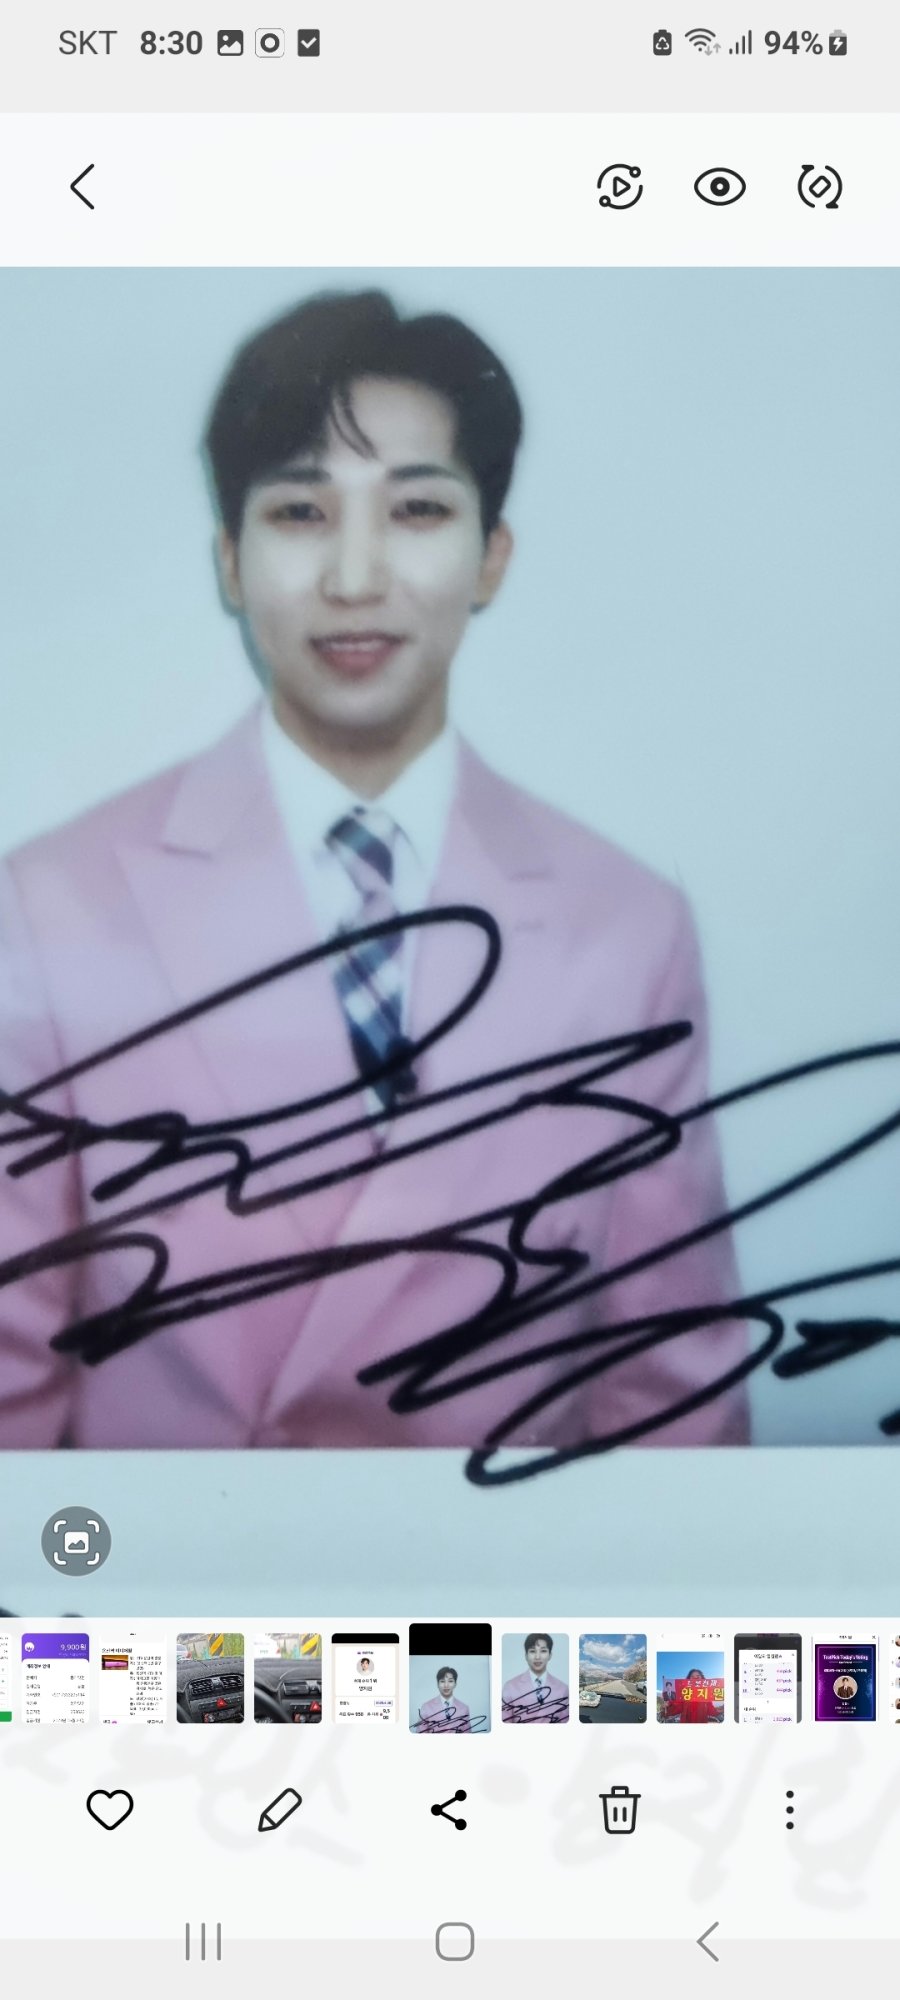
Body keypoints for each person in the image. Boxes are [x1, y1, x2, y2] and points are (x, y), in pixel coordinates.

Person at [0, 288, 748, 1452]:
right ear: (230, 560)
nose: (355, 576)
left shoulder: (627, 927)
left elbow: (670, 1388)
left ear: (491, 556)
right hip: (166, 1564)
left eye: (417, 509)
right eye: (301, 510)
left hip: (502, 1566)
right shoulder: (51, 906)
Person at [502, 1631, 569, 1722]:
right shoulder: (510, 1686)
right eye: (532, 1651)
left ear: (550, 1655)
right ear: (526, 1656)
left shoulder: (563, 1689)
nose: (537, 1657)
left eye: (543, 1651)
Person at [415, 1665, 471, 1733]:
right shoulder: (426, 1707)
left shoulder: (464, 1708)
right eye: (442, 1681)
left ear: (455, 1684)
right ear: (437, 1684)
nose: (446, 1685)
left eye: (450, 1681)